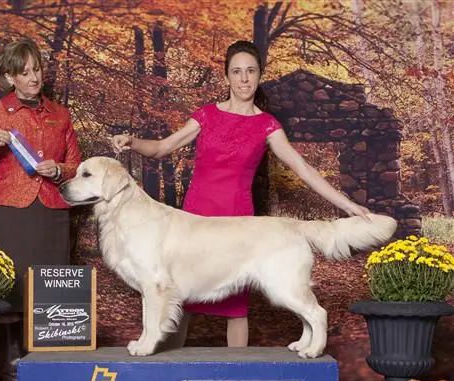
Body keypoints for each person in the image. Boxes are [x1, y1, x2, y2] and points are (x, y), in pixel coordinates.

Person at [111, 40, 370, 349]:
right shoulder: (206, 115)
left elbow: (302, 168)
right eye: (237, 72)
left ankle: (239, 377)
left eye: (250, 71)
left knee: (236, 310)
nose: (244, 78)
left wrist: (348, 205)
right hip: (194, 218)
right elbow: (163, 147)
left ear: (259, 75)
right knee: (178, 299)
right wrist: (132, 142)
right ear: (227, 77)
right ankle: (169, 372)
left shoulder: (266, 125)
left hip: (237, 221)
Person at [0, 38, 81, 381]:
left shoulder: (60, 114)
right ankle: (13, 373)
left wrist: (58, 169)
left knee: (50, 294)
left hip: (49, 212)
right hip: (6, 213)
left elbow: (76, 166)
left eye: (37, 69)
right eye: (25, 72)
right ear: (9, 77)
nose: (34, 77)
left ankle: (48, 373)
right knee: (11, 293)